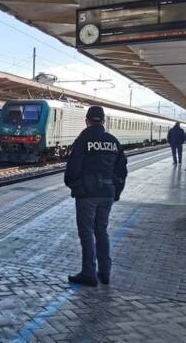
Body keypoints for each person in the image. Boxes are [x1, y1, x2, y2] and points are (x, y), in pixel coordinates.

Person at [64, 106, 128, 287]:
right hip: (108, 192)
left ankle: (88, 273)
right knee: (102, 231)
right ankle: (105, 272)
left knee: (86, 232)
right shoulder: (113, 141)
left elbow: (73, 168)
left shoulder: (83, 140)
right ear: (103, 120)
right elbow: (122, 170)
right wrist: (116, 191)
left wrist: (76, 187)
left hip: (88, 194)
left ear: (87, 120)